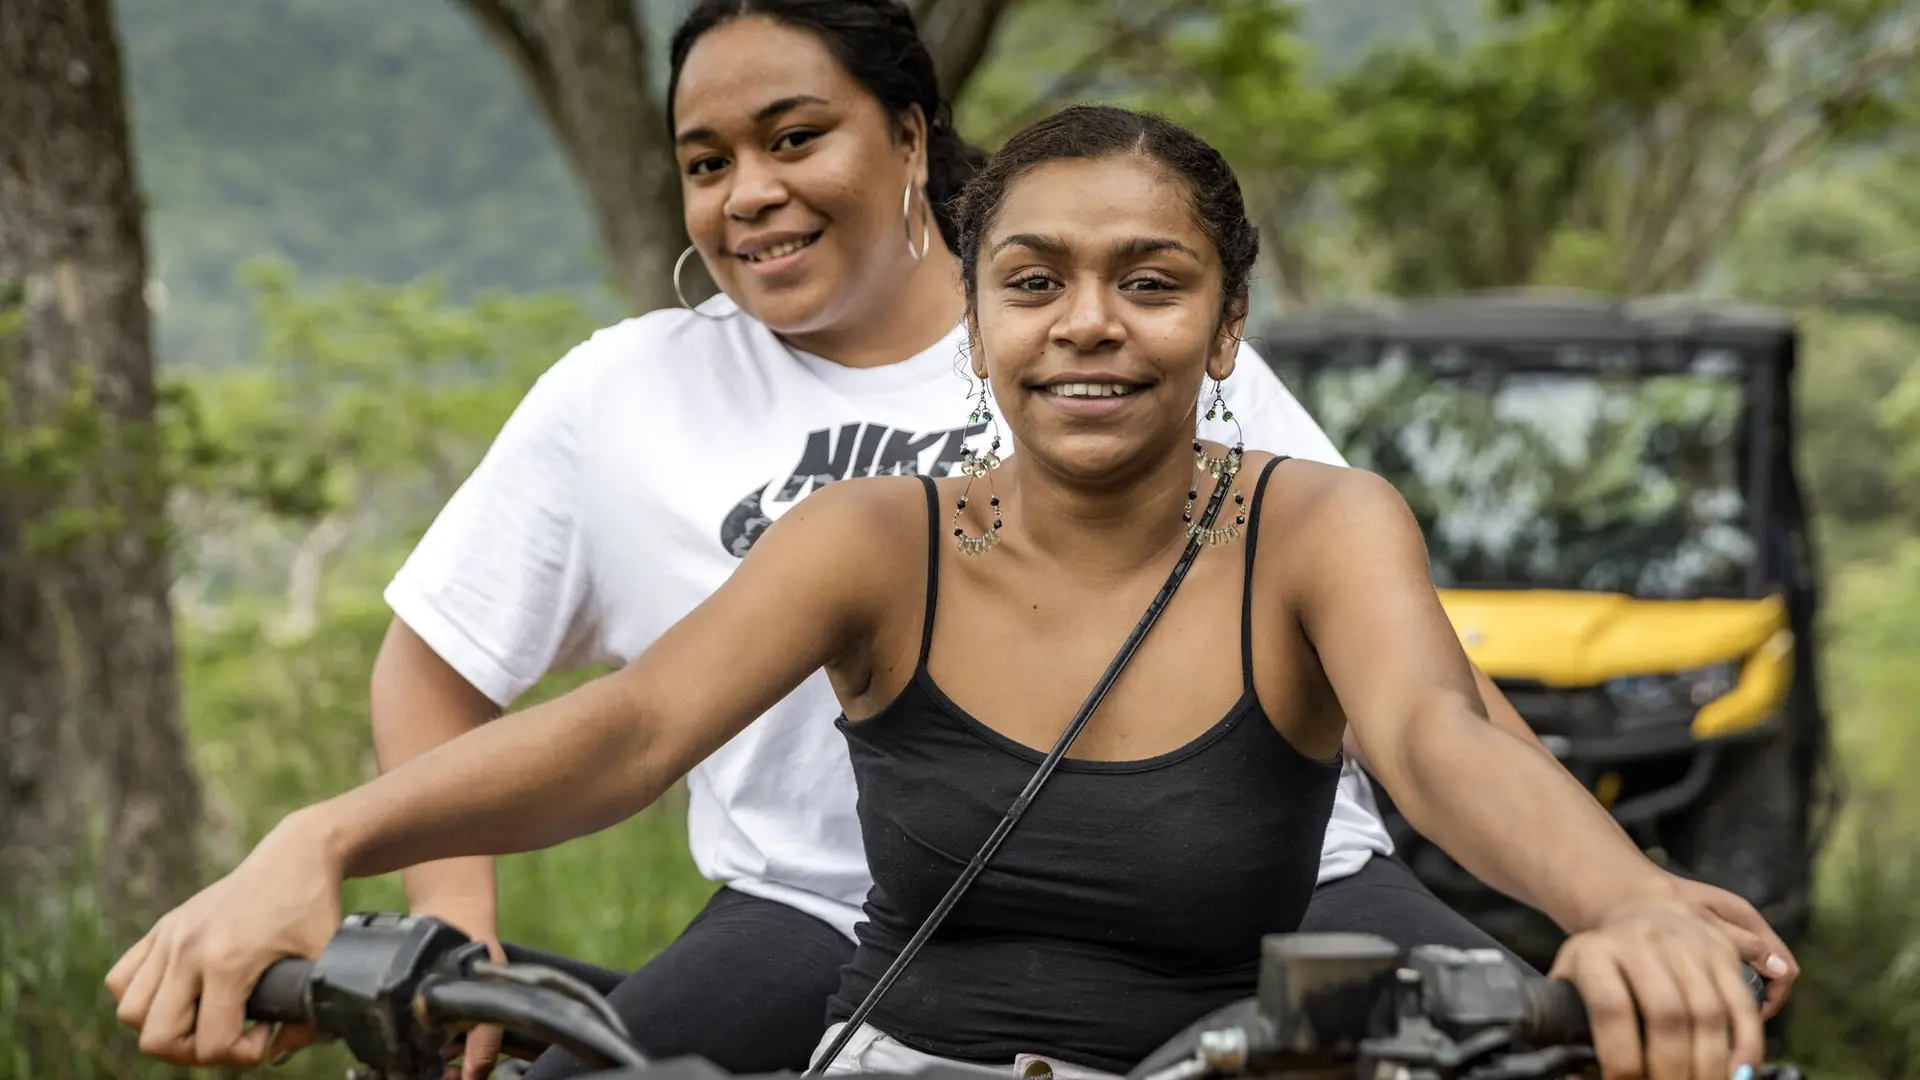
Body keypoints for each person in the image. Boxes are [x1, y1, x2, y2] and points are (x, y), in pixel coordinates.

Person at [246, 4, 1805, 1078]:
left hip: (1265, 884)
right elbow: (629, 720)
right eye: (708, 160)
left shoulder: (1256, 466)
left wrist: (1627, 893)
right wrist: (376, 875)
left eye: (798, 136)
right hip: (858, 921)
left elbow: (1430, 714)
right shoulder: (751, 467)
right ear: (991, 315)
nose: (753, 192)